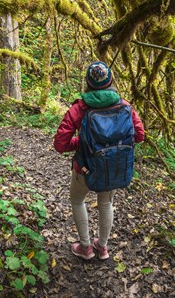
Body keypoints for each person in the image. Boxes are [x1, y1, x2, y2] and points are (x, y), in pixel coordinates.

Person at [53, 61, 145, 260]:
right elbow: (139, 136)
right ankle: (102, 247)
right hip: (112, 168)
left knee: (77, 200)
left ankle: (85, 247)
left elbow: (60, 144)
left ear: (87, 83)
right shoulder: (125, 106)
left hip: (84, 168)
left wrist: (80, 143)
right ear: (111, 81)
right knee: (106, 204)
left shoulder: (79, 108)